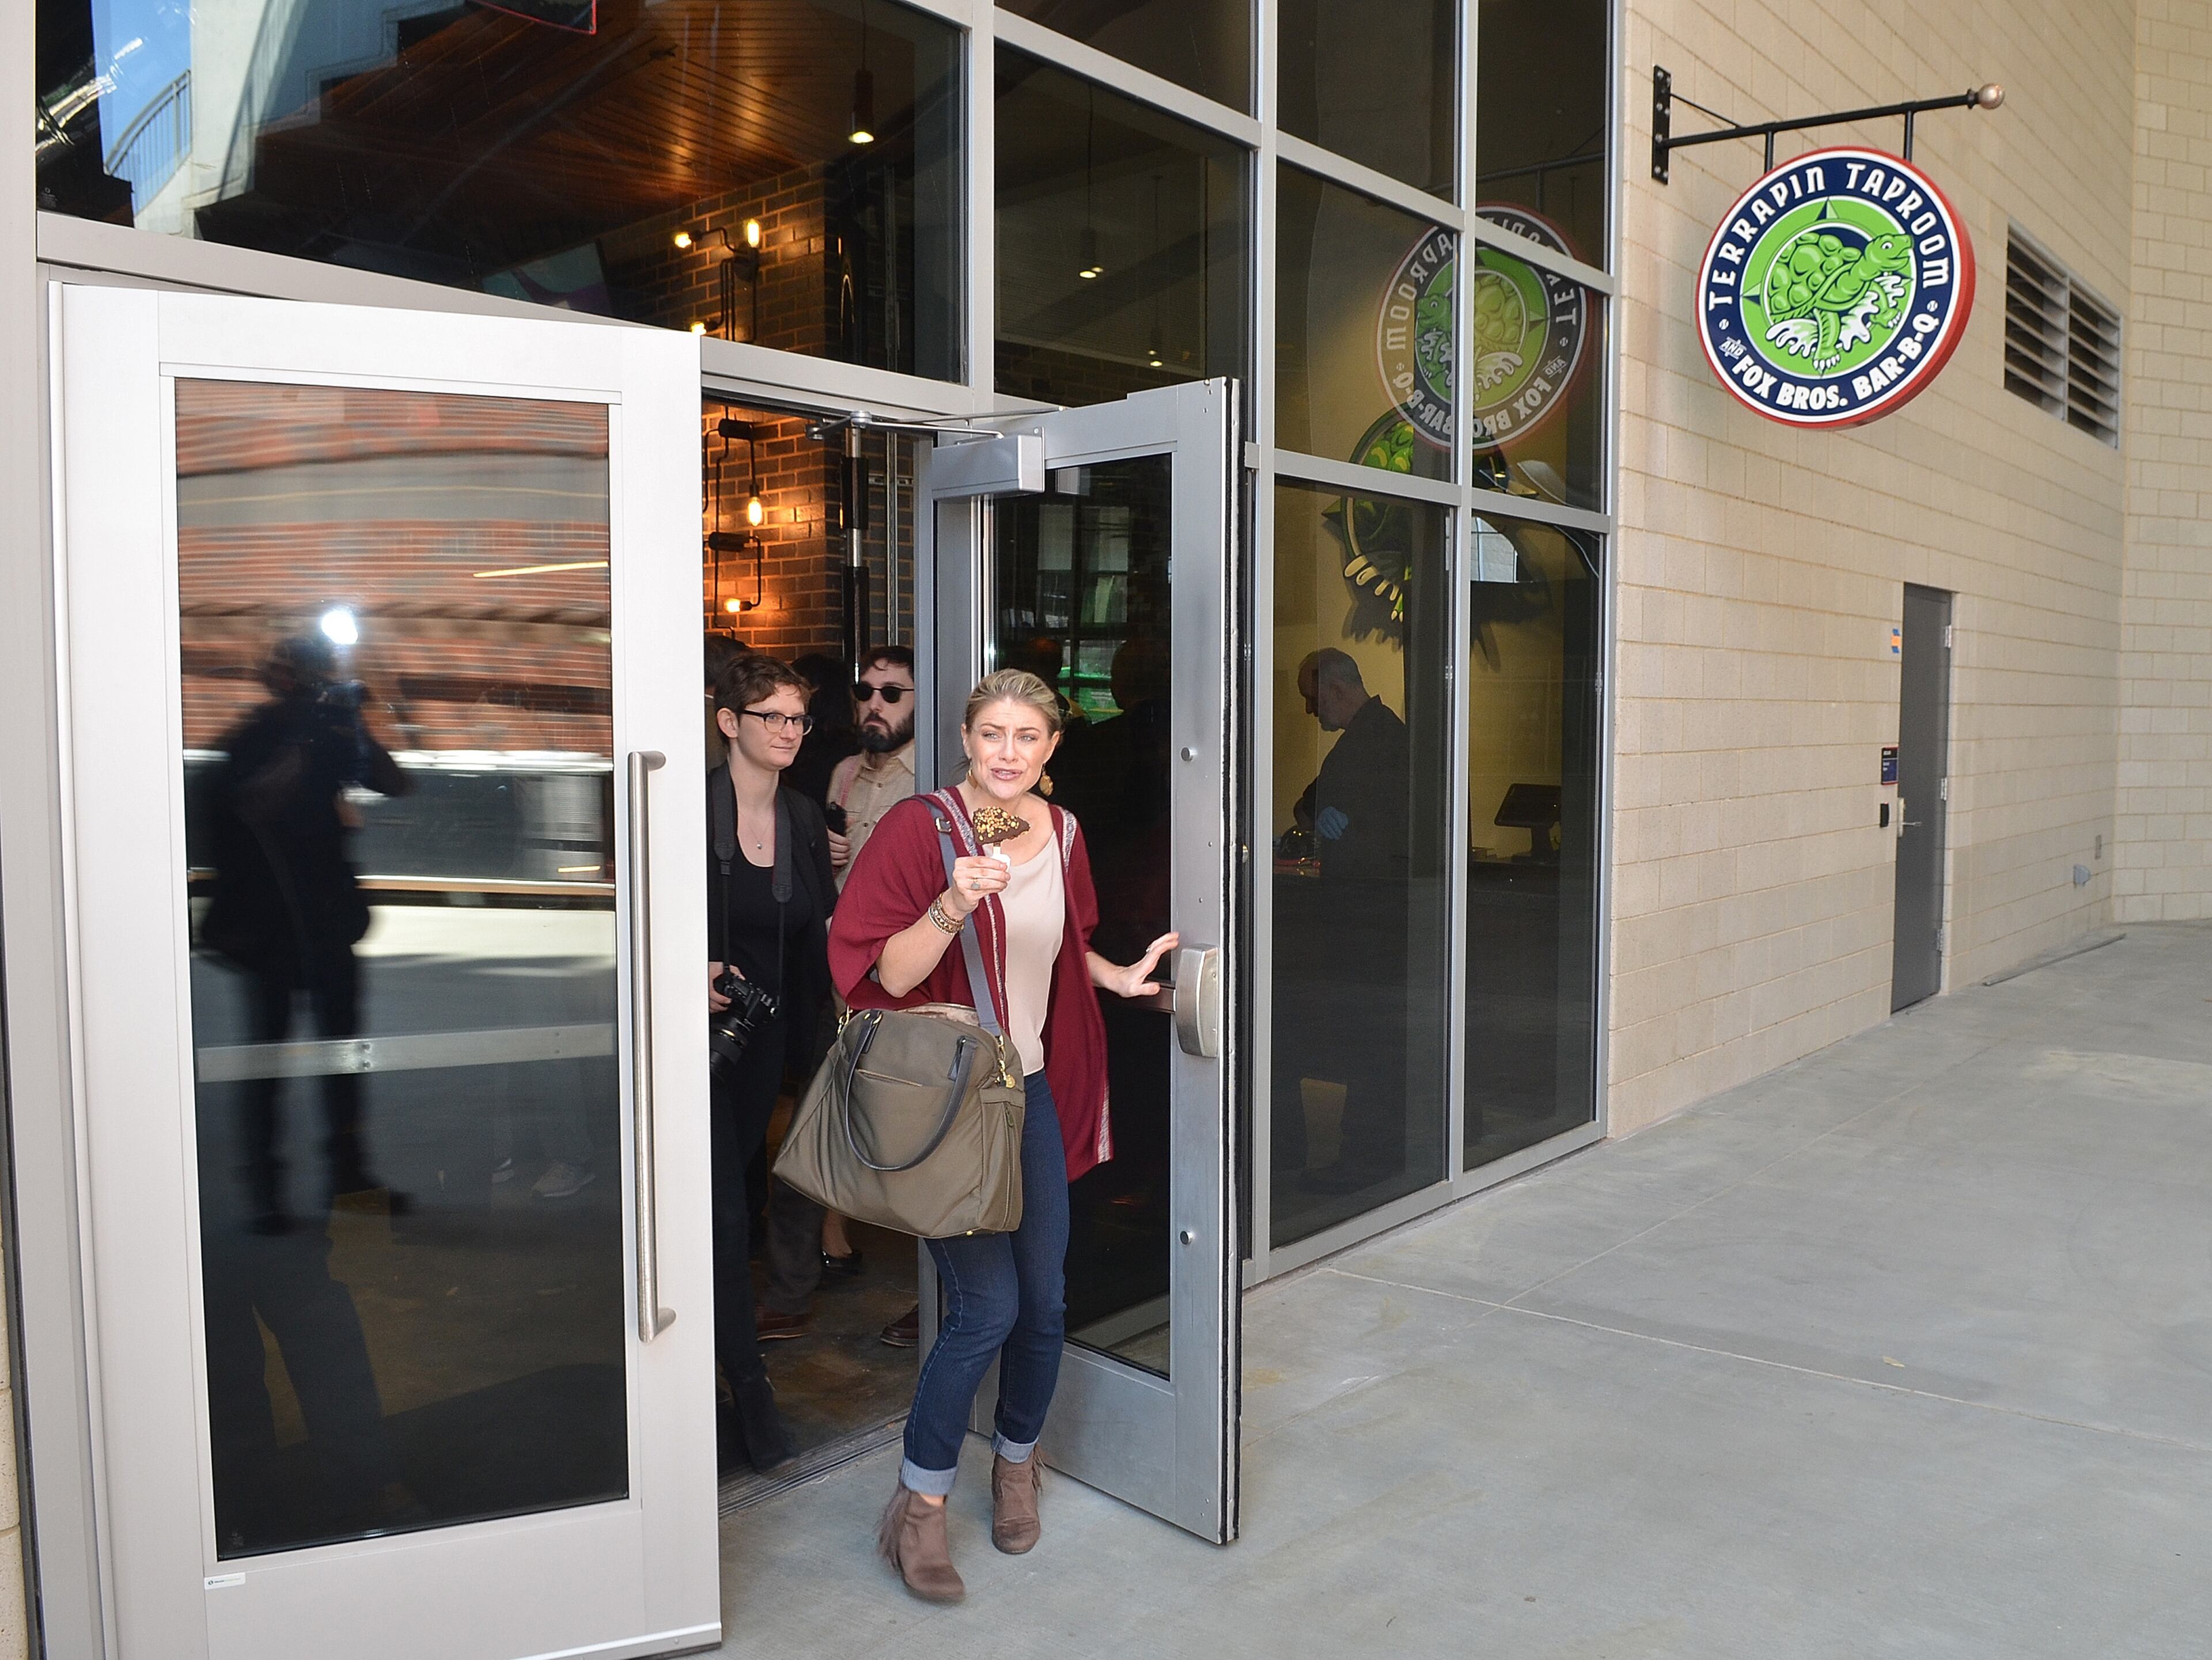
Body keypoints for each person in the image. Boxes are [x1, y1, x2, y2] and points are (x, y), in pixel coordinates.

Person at [829, 668, 1177, 1601]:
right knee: (985, 1310)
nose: (1010, 752)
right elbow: (873, 969)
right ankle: (922, 1506)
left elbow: (1060, 949)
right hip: (948, 1102)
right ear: (966, 738)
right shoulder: (921, 828)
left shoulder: (1062, 833)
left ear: (1052, 747)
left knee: (1047, 1302)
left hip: (1028, 1093)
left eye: (1029, 736)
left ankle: (1017, 1460)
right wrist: (949, 901)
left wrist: (1119, 977)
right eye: (994, 734)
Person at [198, 633, 411, 1231]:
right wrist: (306, 733)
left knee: (341, 1059)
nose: (315, 685)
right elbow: (246, 806)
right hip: (269, 930)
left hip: (326, 923)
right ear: (282, 678)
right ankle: (266, 1192)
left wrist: (356, 723)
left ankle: (349, 1176)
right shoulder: (254, 738)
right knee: (266, 1064)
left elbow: (395, 781)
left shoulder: (334, 733)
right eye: (308, 675)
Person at [704, 653, 839, 1472]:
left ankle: (722, 1385)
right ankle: (751, 1392)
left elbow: (820, 935)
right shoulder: (683, 807)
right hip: (688, 1047)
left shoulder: (799, 818)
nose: (790, 732)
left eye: (799, 719)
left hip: (761, 1054)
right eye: (773, 717)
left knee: (730, 1210)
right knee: (721, 1217)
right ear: (730, 723)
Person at [1278, 649, 1413, 1196]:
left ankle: (1368, 1159)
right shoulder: (1362, 742)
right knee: (1365, 1043)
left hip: (1374, 918)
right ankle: (1364, 1155)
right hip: (1362, 915)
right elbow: (1307, 806)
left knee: (1372, 1043)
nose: (1311, 711)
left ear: (1335, 688)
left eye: (1312, 698)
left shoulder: (1384, 742)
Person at [818, 645, 920, 1295]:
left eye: (892, 694)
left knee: (910, 1104)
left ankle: (930, 1276)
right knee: (849, 1092)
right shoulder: (844, 774)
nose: (873, 705)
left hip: (910, 967)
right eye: (865, 692)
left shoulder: (934, 773)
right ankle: (834, 1231)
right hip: (846, 964)